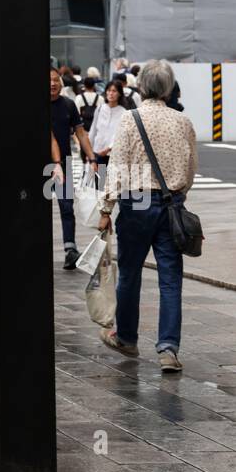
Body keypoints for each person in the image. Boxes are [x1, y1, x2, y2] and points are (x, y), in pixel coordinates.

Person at [98, 60, 197, 373]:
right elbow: (191, 167)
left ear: (141, 87)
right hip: (171, 202)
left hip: (137, 200)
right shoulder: (183, 121)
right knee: (170, 279)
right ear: (168, 88)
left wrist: (106, 208)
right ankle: (168, 348)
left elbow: (118, 166)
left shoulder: (131, 119)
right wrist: (178, 195)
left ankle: (127, 337)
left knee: (129, 272)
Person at [50, 67, 97, 270]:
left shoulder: (68, 105)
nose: (52, 84)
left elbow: (81, 133)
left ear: (61, 83)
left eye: (55, 80)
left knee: (67, 207)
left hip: (64, 164)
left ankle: (70, 249)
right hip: (43, 166)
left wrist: (92, 157)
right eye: (49, 80)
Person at [88, 79, 127, 185]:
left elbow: (121, 134)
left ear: (119, 94)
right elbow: (93, 130)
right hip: (97, 153)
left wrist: (109, 147)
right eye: (109, 90)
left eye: (114, 91)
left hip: (113, 155)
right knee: (98, 185)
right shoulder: (100, 108)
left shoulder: (123, 112)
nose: (111, 93)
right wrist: (89, 152)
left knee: (112, 186)